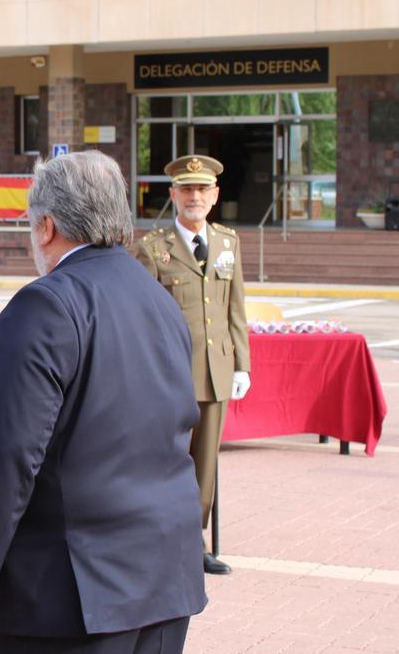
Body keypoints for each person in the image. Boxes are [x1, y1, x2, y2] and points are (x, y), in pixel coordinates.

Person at [0, 151, 207, 652]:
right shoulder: (159, 301)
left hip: (74, 588)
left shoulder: (48, 304)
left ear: (45, 226)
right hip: (162, 574)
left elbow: (11, 456)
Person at [135, 154, 252, 576]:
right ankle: (158, 538)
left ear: (215, 195)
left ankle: (192, 543)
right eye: (186, 190)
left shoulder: (228, 243)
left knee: (205, 468)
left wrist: (242, 365)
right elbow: (144, 318)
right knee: (165, 461)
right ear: (173, 195)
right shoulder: (153, 249)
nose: (194, 197)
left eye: (202, 190)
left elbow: (235, 308)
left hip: (216, 372)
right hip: (170, 377)